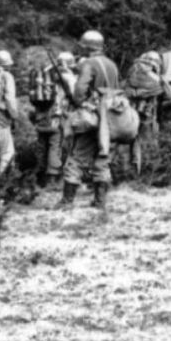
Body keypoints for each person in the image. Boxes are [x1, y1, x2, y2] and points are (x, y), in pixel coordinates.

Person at [57, 31, 119, 209]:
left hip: (92, 117)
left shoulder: (89, 63)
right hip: (110, 117)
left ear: (86, 46)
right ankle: (100, 201)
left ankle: (67, 201)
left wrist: (78, 102)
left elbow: (79, 92)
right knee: (103, 156)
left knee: (76, 157)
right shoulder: (111, 64)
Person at [30, 52, 75, 188]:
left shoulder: (44, 75)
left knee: (41, 147)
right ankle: (52, 180)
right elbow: (74, 94)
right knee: (55, 147)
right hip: (56, 117)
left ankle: (38, 178)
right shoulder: (65, 77)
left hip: (40, 117)